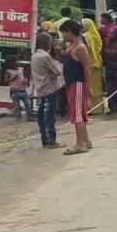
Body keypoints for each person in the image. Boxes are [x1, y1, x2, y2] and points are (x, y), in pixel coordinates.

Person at [60, 20, 93, 155]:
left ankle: (81, 144)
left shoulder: (80, 47)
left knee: (77, 114)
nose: (63, 35)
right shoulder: (71, 46)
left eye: (64, 32)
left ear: (69, 31)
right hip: (72, 84)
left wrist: (88, 88)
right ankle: (86, 140)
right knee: (78, 112)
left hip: (78, 83)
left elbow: (87, 68)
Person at [31, 33, 65, 149]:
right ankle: (51, 140)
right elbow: (57, 72)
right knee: (50, 115)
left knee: (42, 115)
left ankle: (44, 139)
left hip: (40, 88)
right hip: (50, 88)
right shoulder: (45, 56)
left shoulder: (34, 55)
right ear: (47, 43)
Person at [81, 18, 105, 115]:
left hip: (89, 63)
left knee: (90, 86)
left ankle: (92, 108)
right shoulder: (95, 35)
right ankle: (99, 107)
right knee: (98, 87)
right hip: (97, 62)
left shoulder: (85, 36)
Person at [4, 56, 34, 121]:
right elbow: (5, 80)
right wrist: (13, 78)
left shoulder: (20, 69)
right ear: (11, 63)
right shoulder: (8, 71)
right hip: (14, 91)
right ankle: (18, 118)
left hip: (23, 90)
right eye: (15, 61)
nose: (17, 62)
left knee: (28, 104)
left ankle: (29, 117)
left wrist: (26, 81)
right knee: (17, 106)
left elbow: (23, 76)